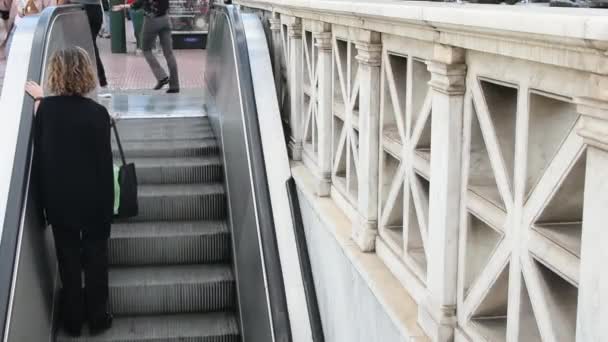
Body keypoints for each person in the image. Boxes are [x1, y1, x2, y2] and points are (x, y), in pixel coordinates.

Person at [25, 47, 113, 338]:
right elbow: (104, 164)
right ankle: (99, 317)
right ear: (86, 73)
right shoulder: (98, 114)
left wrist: (39, 99)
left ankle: (73, 321)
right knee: (96, 259)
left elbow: (40, 158)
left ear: (55, 74)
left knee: (68, 260)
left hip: (60, 202)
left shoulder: (45, 111)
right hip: (94, 201)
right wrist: (107, 208)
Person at [113, 0, 179, 93]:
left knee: (146, 49)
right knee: (169, 53)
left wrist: (124, 6)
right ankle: (175, 86)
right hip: (165, 19)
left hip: (152, 20)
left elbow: (140, 3)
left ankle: (162, 77)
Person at [69, 0, 109, 93]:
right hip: (96, 10)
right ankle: (101, 80)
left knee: (79, 45)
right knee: (90, 44)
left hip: (80, 9)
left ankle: (78, 80)